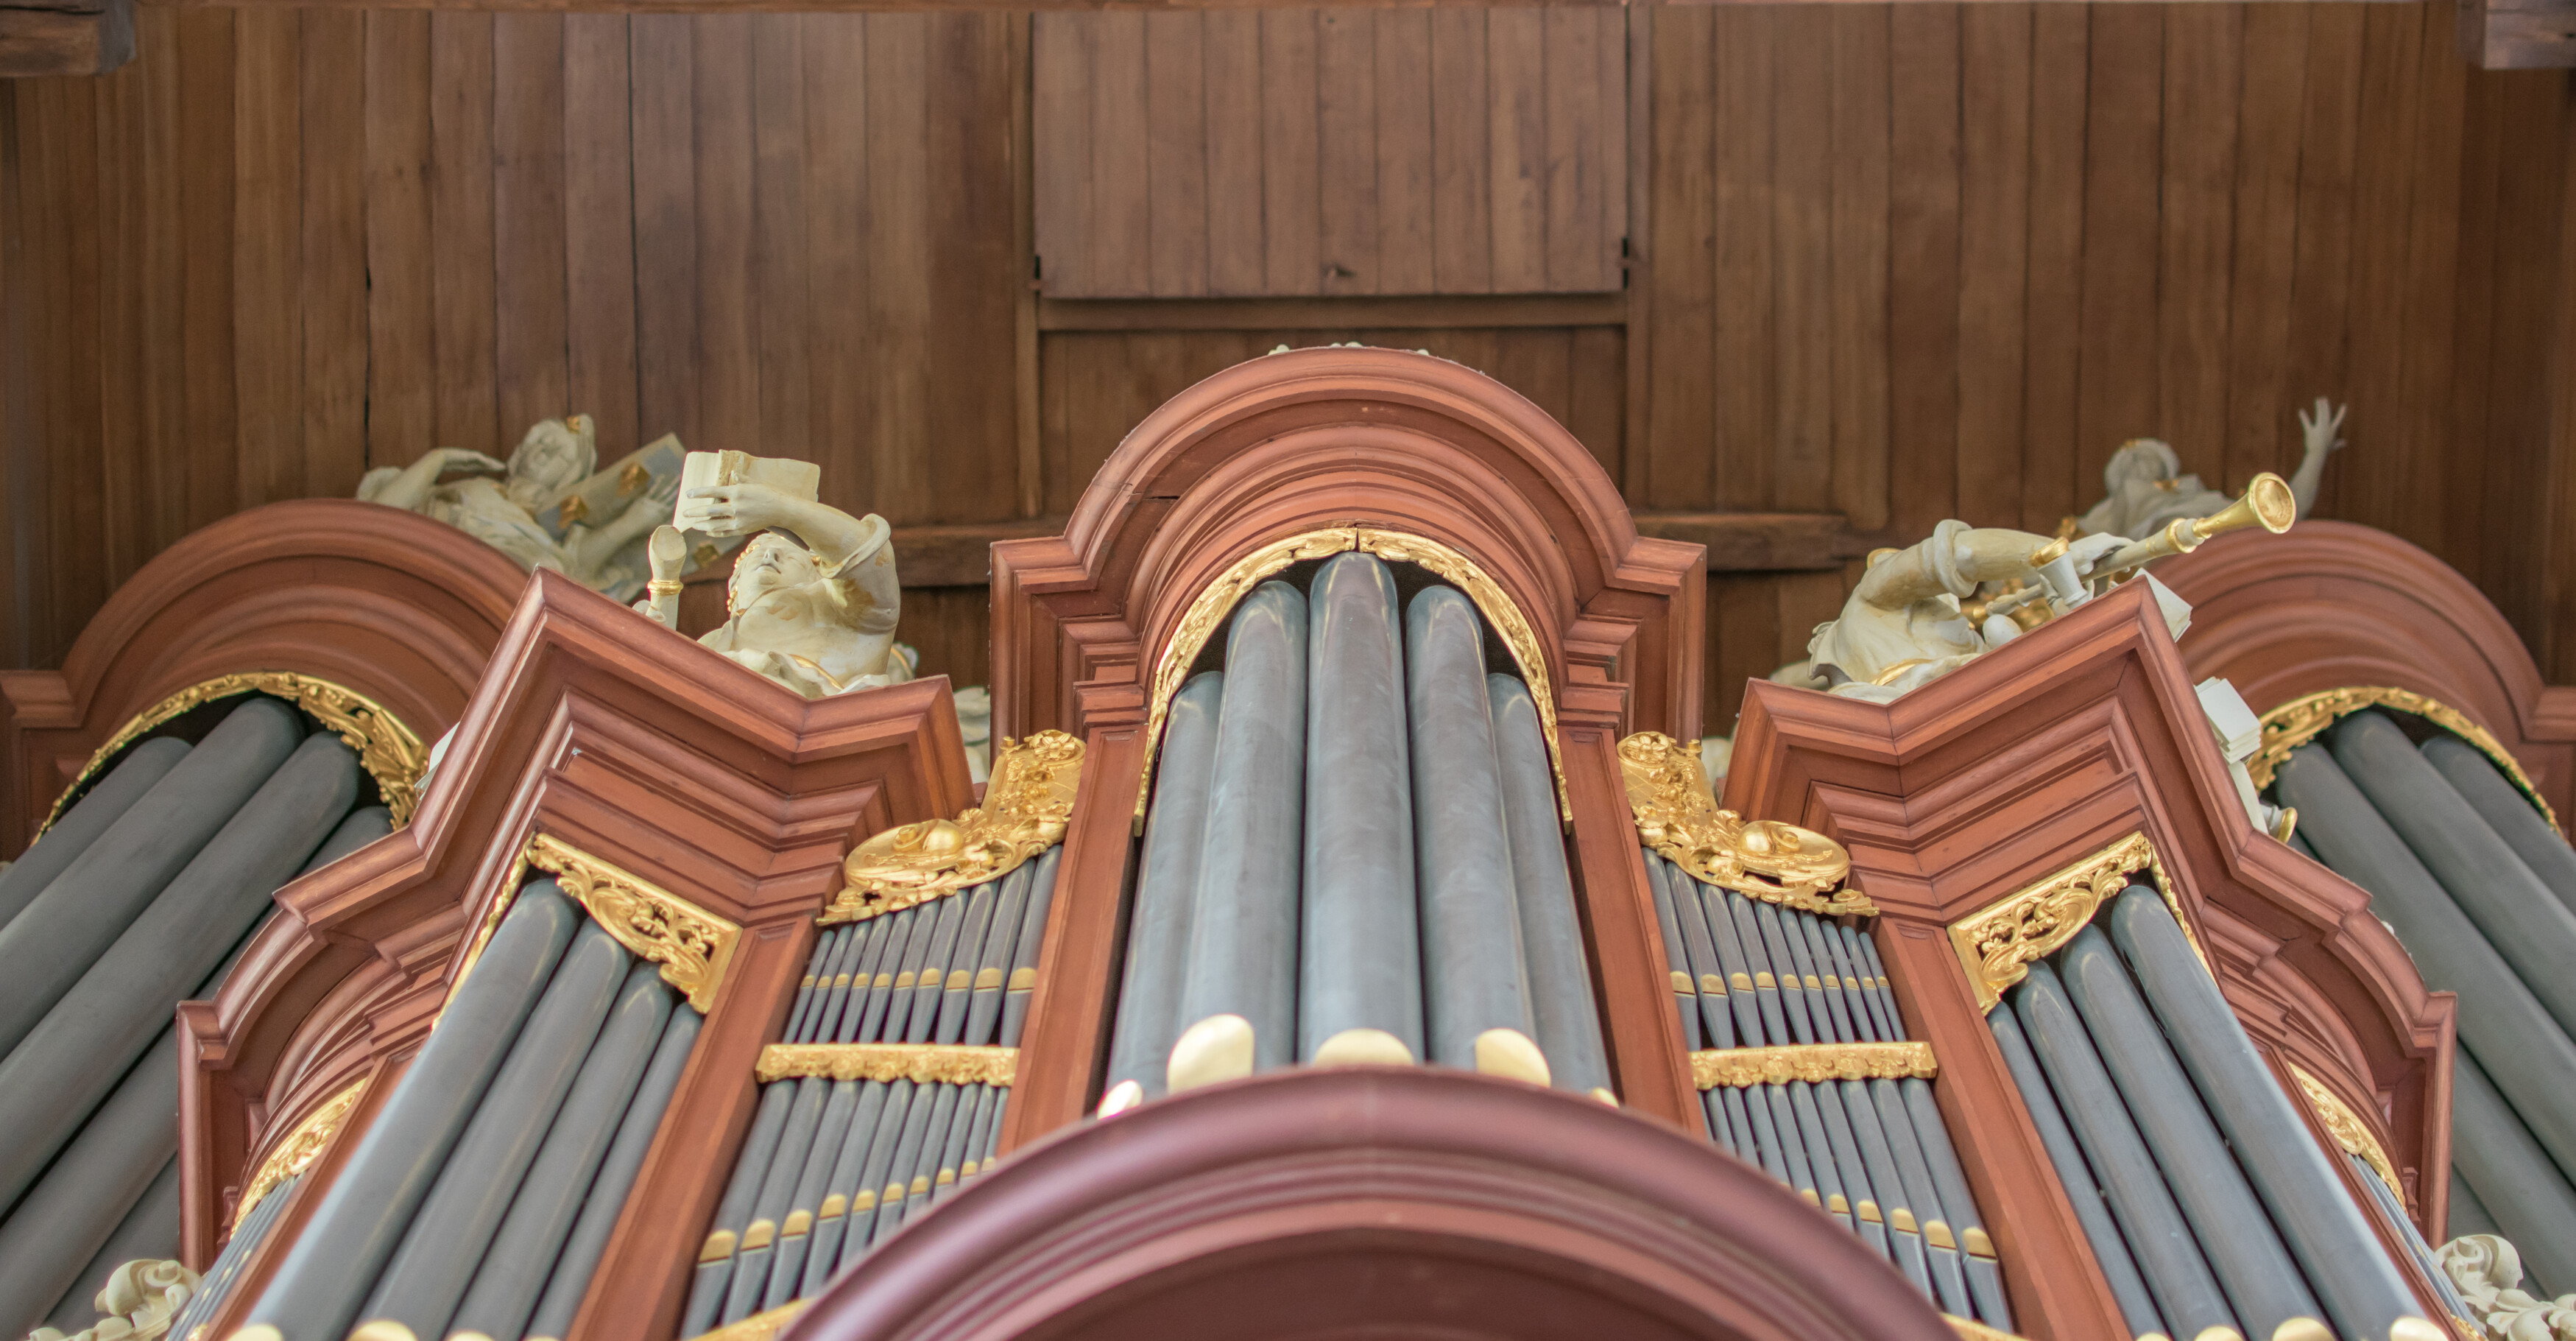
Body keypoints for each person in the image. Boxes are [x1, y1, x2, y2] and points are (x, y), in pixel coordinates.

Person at [641, 481, 910, 700]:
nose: (770, 555)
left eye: (790, 555)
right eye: (757, 552)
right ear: (734, 583)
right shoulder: (711, 644)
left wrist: (784, 511)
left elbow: (869, 557)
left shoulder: (837, 616)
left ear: (820, 575)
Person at [358, 416, 677, 594]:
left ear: (570, 476)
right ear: (520, 450)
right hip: (422, 578)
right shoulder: (469, 490)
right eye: (539, 442)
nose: (542, 453)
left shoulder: (555, 536)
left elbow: (571, 580)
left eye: (558, 454)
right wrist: (438, 460)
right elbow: (374, 525)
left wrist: (631, 523)